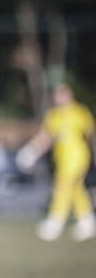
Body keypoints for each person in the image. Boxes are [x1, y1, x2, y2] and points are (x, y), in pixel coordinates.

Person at [16, 83, 96, 242]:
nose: (59, 98)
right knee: (76, 189)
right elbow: (45, 138)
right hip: (62, 159)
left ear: (69, 95)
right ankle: (87, 221)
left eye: (62, 95)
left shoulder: (80, 112)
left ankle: (55, 221)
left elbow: (91, 135)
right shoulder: (54, 116)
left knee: (62, 187)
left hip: (78, 158)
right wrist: (31, 151)